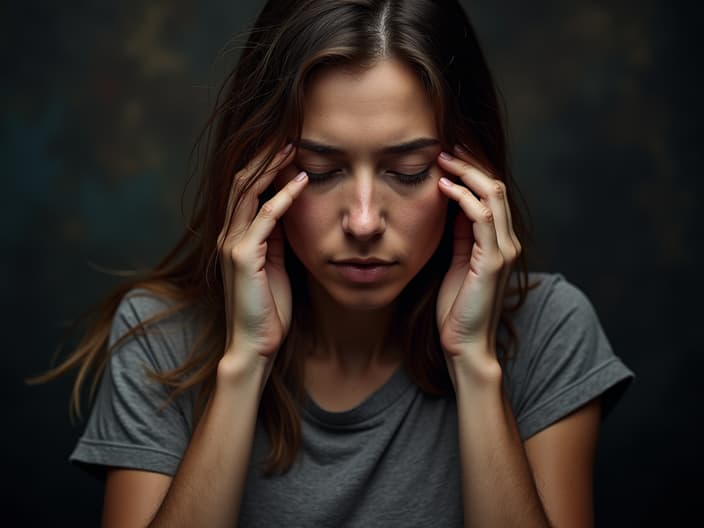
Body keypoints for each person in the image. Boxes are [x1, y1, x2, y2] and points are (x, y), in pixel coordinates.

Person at [30, 0, 635, 526]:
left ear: (472, 174)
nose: (365, 221)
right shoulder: (161, 337)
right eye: (320, 171)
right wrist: (244, 364)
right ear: (256, 172)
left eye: (409, 171)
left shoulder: (549, 328)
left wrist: (475, 365)